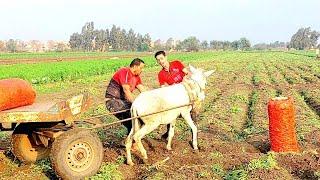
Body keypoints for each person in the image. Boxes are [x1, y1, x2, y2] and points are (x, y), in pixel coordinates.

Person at [154, 51, 198, 139]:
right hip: (175, 96)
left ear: (166, 57)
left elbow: (188, 73)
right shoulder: (161, 74)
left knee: (193, 112)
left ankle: (195, 133)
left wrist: (185, 79)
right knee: (169, 110)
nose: (161, 61)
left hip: (186, 92)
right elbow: (164, 88)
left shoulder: (176, 64)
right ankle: (168, 131)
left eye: (162, 58)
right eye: (158, 60)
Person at [105, 58, 147, 134]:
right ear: (135, 66)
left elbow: (143, 90)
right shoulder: (124, 72)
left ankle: (131, 139)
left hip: (123, 101)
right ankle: (129, 140)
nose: (142, 70)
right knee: (133, 121)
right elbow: (126, 90)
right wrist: (135, 104)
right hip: (113, 101)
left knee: (141, 118)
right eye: (141, 68)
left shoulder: (136, 77)